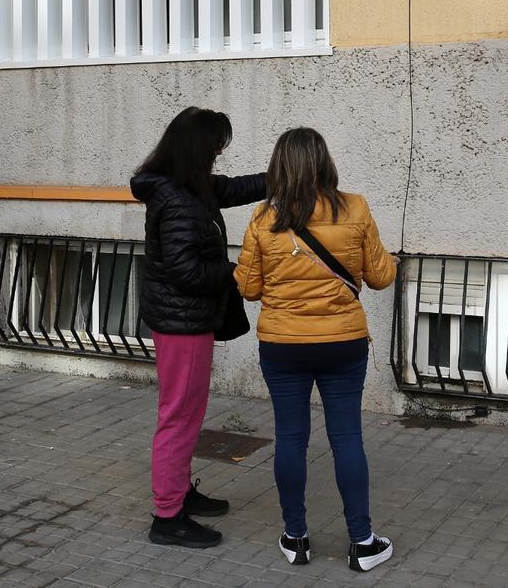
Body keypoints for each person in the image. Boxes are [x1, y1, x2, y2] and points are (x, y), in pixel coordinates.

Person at [233, 127, 398, 572]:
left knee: (290, 438)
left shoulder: (263, 218)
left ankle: (296, 537)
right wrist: (391, 261)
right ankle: (362, 542)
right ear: (325, 161)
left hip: (283, 345)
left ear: (278, 167)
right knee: (346, 438)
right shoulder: (356, 208)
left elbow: (248, 288)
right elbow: (380, 277)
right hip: (342, 344)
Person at [130, 107, 266, 548]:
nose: (218, 156)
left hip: (186, 320)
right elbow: (187, 271)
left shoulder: (188, 188)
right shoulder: (177, 202)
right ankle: (168, 517)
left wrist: (279, 175)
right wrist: (237, 270)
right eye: (215, 148)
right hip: (182, 324)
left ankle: (180, 492)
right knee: (179, 417)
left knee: (187, 414)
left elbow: (231, 188)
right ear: (197, 150)